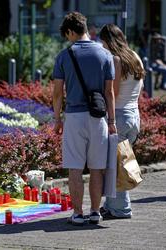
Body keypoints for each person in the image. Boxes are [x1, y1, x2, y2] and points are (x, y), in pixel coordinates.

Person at [52, 12, 116, 225]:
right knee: (97, 167)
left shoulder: (64, 56)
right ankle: (96, 212)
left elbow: (58, 93)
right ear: (86, 29)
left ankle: (78, 214)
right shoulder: (105, 54)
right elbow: (110, 93)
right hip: (99, 118)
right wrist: (113, 121)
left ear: (70, 31)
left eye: (66, 35)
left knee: (75, 168)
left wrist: (57, 119)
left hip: (74, 117)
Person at [99, 24, 145, 219]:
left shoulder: (116, 60)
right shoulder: (135, 57)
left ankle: (121, 209)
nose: (101, 46)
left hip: (119, 116)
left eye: (102, 42)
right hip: (134, 115)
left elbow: (113, 93)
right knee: (118, 162)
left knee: (117, 166)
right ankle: (111, 206)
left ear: (108, 41)